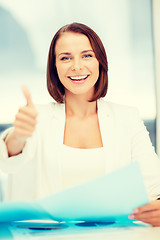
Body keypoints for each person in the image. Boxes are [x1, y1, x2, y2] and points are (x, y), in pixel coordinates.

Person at [0, 22, 160, 226]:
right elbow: (10, 160)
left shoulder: (127, 117)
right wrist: (19, 136)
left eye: (86, 55)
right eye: (65, 58)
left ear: (100, 61)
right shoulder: (37, 116)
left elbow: (154, 187)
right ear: (54, 67)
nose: (77, 66)